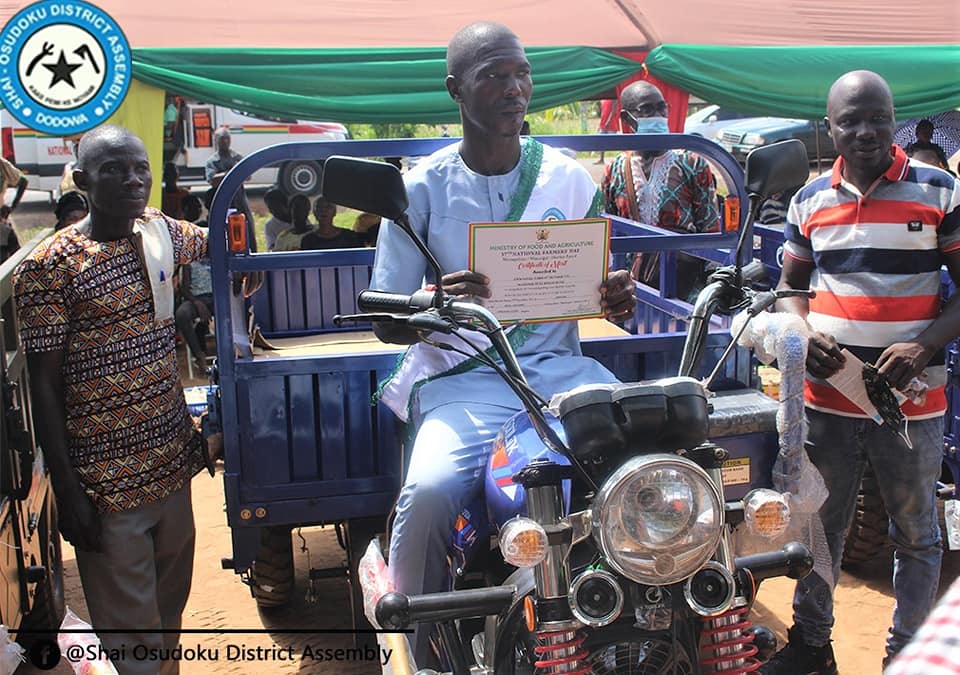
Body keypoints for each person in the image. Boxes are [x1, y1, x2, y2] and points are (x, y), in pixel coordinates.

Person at [369, 21, 635, 665]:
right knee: (428, 494)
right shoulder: (417, 187)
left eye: (521, 72)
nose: (514, 88)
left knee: (651, 463)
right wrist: (433, 304)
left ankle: (644, 621)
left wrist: (611, 297)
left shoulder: (570, 180)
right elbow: (385, 317)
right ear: (456, 89)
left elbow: (594, 282)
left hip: (560, 372)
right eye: (493, 75)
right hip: (465, 378)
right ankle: (423, 649)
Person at [764, 70, 960, 674]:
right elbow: (790, 288)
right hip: (828, 397)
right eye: (851, 120)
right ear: (831, 129)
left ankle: (908, 653)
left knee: (917, 535)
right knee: (822, 528)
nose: (866, 131)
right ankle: (813, 644)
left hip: (913, 404)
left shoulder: (938, 191)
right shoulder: (808, 200)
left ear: (893, 119)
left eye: (877, 117)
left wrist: (923, 347)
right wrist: (804, 332)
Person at [14, 125, 210, 675]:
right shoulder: (50, 266)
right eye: (113, 171)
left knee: (166, 624)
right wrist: (69, 492)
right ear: (81, 181)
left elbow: (221, 239)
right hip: (106, 487)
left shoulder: (160, 233)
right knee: (135, 644)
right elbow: (44, 386)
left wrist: (244, 279)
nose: (132, 180)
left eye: (140, 168)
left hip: (172, 469)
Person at [601, 81, 720, 301]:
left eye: (661, 108)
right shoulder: (614, 170)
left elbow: (710, 226)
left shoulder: (692, 164)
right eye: (646, 109)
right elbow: (607, 229)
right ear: (628, 119)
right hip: (630, 288)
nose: (657, 115)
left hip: (683, 285)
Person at [175, 194, 213, 374]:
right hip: (197, 298)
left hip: (216, 297)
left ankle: (229, 352)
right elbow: (184, 287)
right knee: (182, 314)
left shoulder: (218, 259)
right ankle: (199, 356)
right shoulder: (190, 259)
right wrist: (197, 302)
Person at [204, 126, 255, 232]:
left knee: (247, 229)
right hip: (222, 201)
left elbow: (248, 176)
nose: (225, 141)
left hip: (240, 200)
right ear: (216, 140)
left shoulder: (236, 157)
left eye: (227, 138)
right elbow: (213, 180)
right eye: (222, 138)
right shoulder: (212, 161)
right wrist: (231, 172)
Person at [595, 97, 619, 164]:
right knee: (601, 141)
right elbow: (603, 112)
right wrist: (600, 124)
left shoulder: (614, 98)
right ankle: (601, 159)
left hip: (612, 123)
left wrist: (608, 121)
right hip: (603, 123)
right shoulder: (602, 99)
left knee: (612, 143)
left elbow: (613, 110)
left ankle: (617, 159)